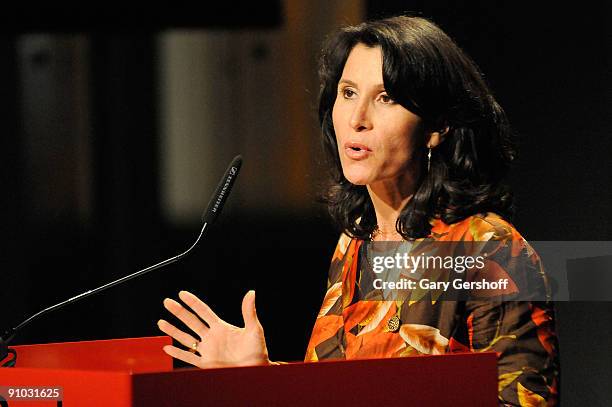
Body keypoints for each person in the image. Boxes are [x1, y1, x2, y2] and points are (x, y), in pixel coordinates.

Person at [157, 15, 559, 405]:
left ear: (436, 127)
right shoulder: (356, 241)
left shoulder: (488, 249)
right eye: (348, 93)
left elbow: (522, 399)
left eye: (385, 98)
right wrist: (263, 374)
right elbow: (338, 390)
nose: (357, 118)